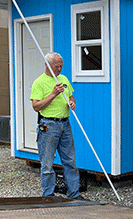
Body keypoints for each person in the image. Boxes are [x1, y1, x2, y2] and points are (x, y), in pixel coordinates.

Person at [31, 52, 83, 200]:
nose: (59, 69)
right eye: (56, 66)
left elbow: (70, 95)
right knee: (47, 163)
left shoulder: (64, 79)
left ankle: (74, 194)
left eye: (61, 66)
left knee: (70, 161)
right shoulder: (39, 82)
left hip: (65, 124)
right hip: (48, 125)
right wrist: (53, 94)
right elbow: (36, 106)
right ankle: (48, 196)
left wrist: (72, 103)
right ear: (47, 65)